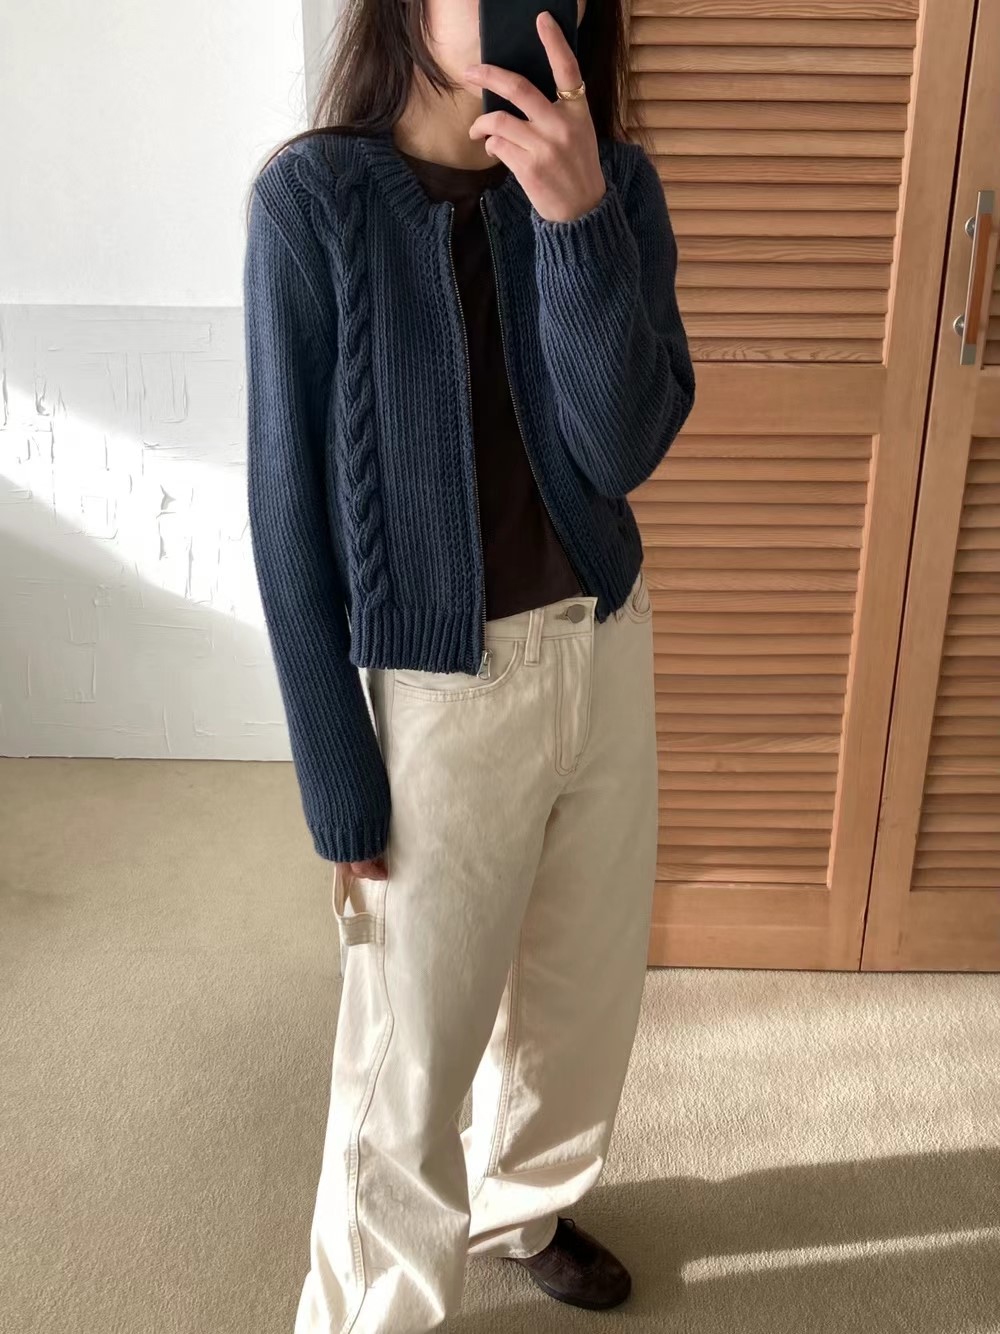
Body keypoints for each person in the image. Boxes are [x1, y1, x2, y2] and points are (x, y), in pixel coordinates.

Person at [242, 0, 695, 1328]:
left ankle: (524, 1206)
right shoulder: (312, 203)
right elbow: (286, 516)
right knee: (408, 1057)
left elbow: (622, 447)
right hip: (440, 697)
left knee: (581, 1006)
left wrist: (579, 224)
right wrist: (337, 775)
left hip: (606, 648)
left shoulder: (616, 183)